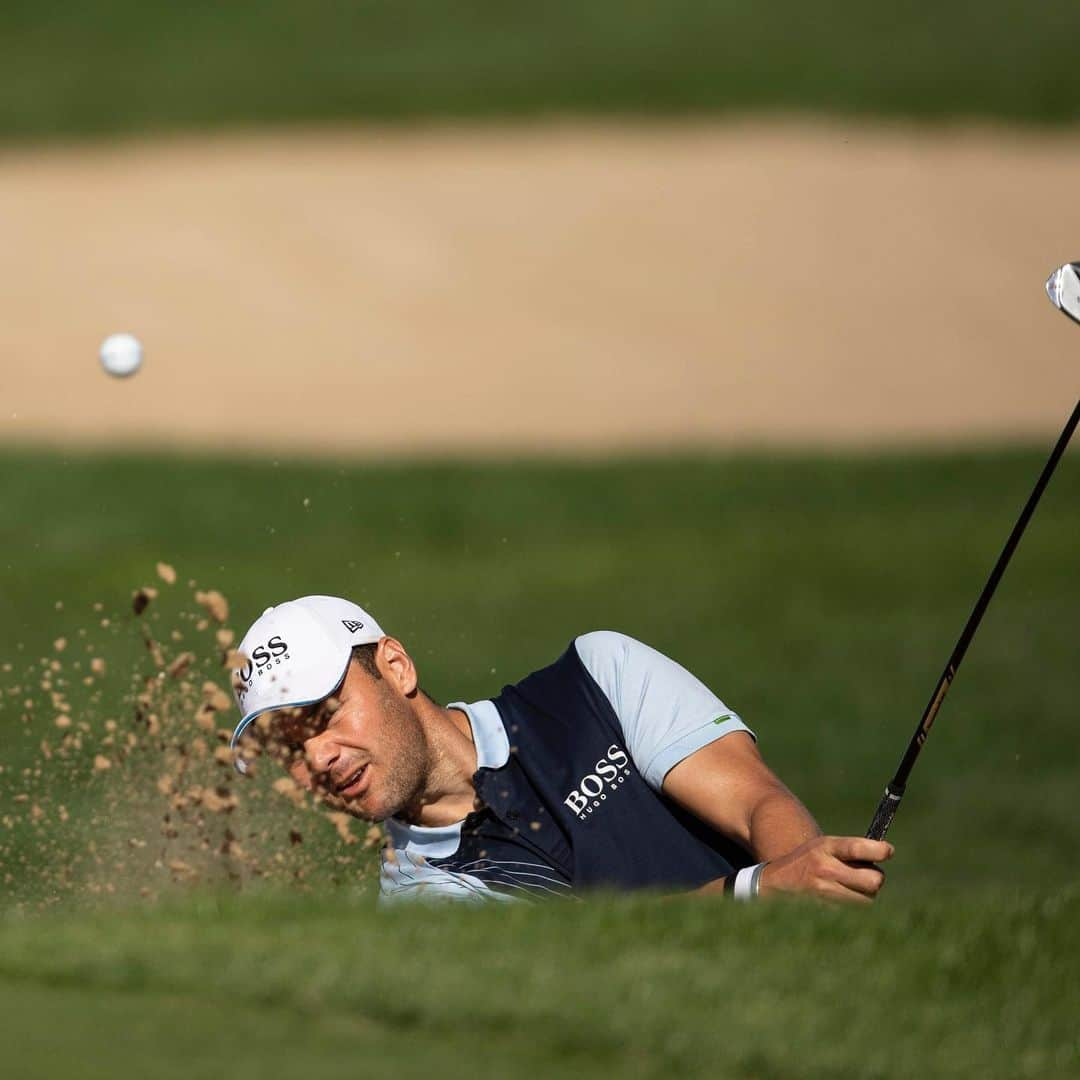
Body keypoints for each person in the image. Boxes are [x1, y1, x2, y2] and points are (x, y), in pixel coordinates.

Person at [230, 595, 892, 904]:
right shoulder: (421, 901)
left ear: (397, 668)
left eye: (325, 713)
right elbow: (600, 967)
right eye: (289, 745)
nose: (317, 757)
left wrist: (814, 900)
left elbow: (755, 801)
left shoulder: (597, 679)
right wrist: (759, 895)